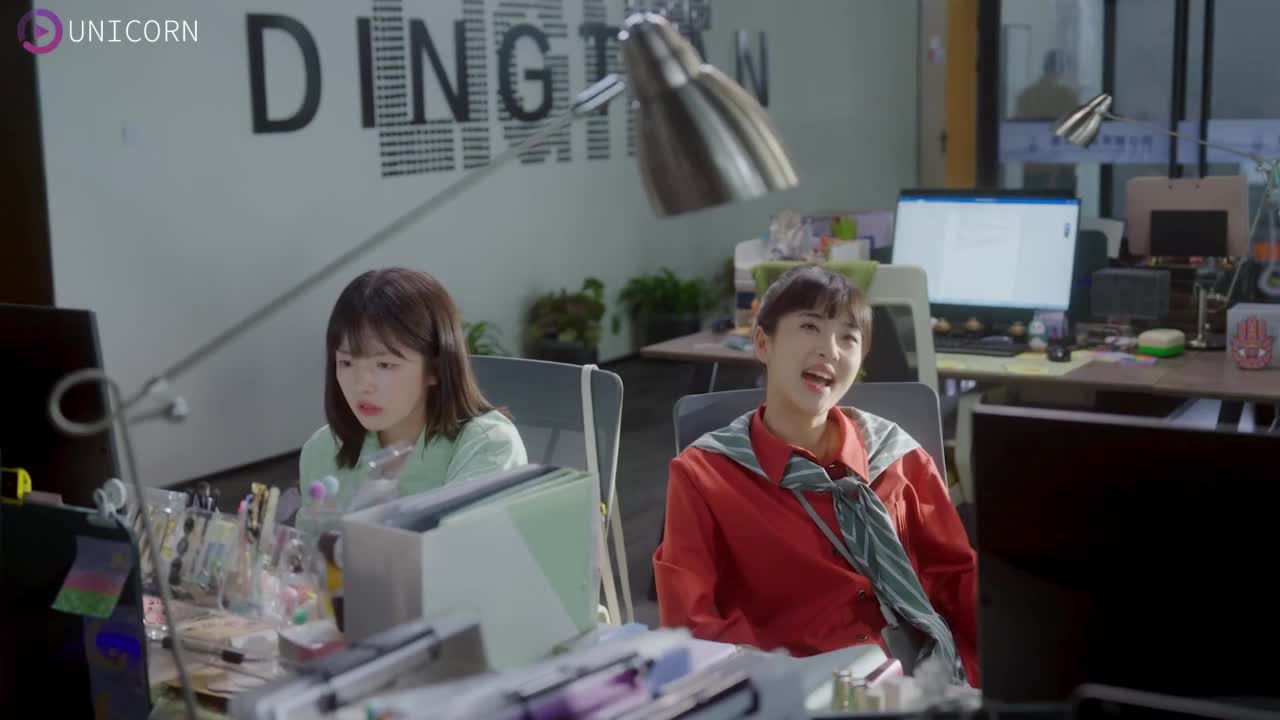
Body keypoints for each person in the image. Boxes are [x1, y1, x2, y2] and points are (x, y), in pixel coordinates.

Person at [653, 265, 979, 686]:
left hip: (923, 680)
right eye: (810, 326)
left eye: (848, 337)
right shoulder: (704, 475)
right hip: (790, 691)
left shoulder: (899, 458)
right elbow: (691, 625)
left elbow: (956, 580)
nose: (831, 350)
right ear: (763, 343)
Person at [298, 268, 526, 526]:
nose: (362, 385)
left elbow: (458, 546)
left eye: (384, 365)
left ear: (434, 369)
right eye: (346, 362)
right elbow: (309, 547)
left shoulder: (490, 446)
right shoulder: (322, 450)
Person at [1015, 49, 1081, 194]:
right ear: (1062, 69)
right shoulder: (1068, 96)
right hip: (1063, 170)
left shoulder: (1026, 95)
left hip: (1033, 169)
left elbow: (1020, 135)